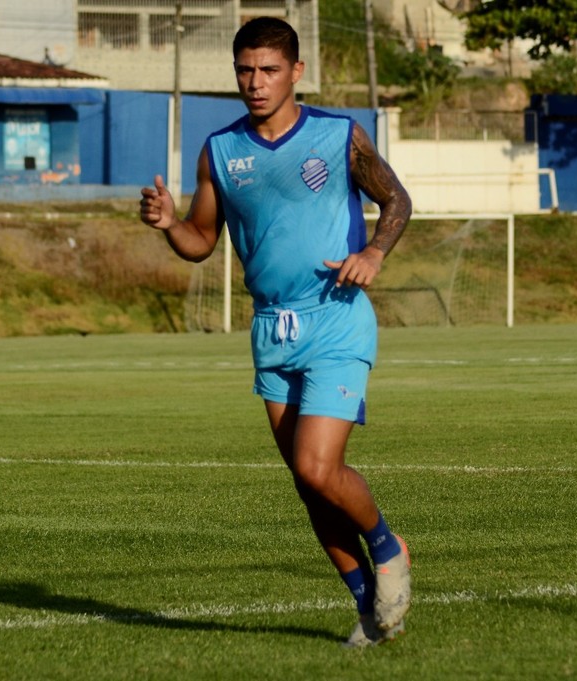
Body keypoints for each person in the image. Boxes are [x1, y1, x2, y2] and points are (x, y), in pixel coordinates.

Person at [139, 16, 412, 648]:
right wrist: (168, 223)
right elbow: (201, 242)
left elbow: (396, 201)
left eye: (268, 70)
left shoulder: (339, 136)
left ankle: (388, 546)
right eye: (244, 70)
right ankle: (368, 604)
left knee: (319, 467)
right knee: (305, 482)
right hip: (271, 328)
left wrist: (373, 253)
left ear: (296, 72)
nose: (255, 83)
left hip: (337, 316)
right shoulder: (220, 152)